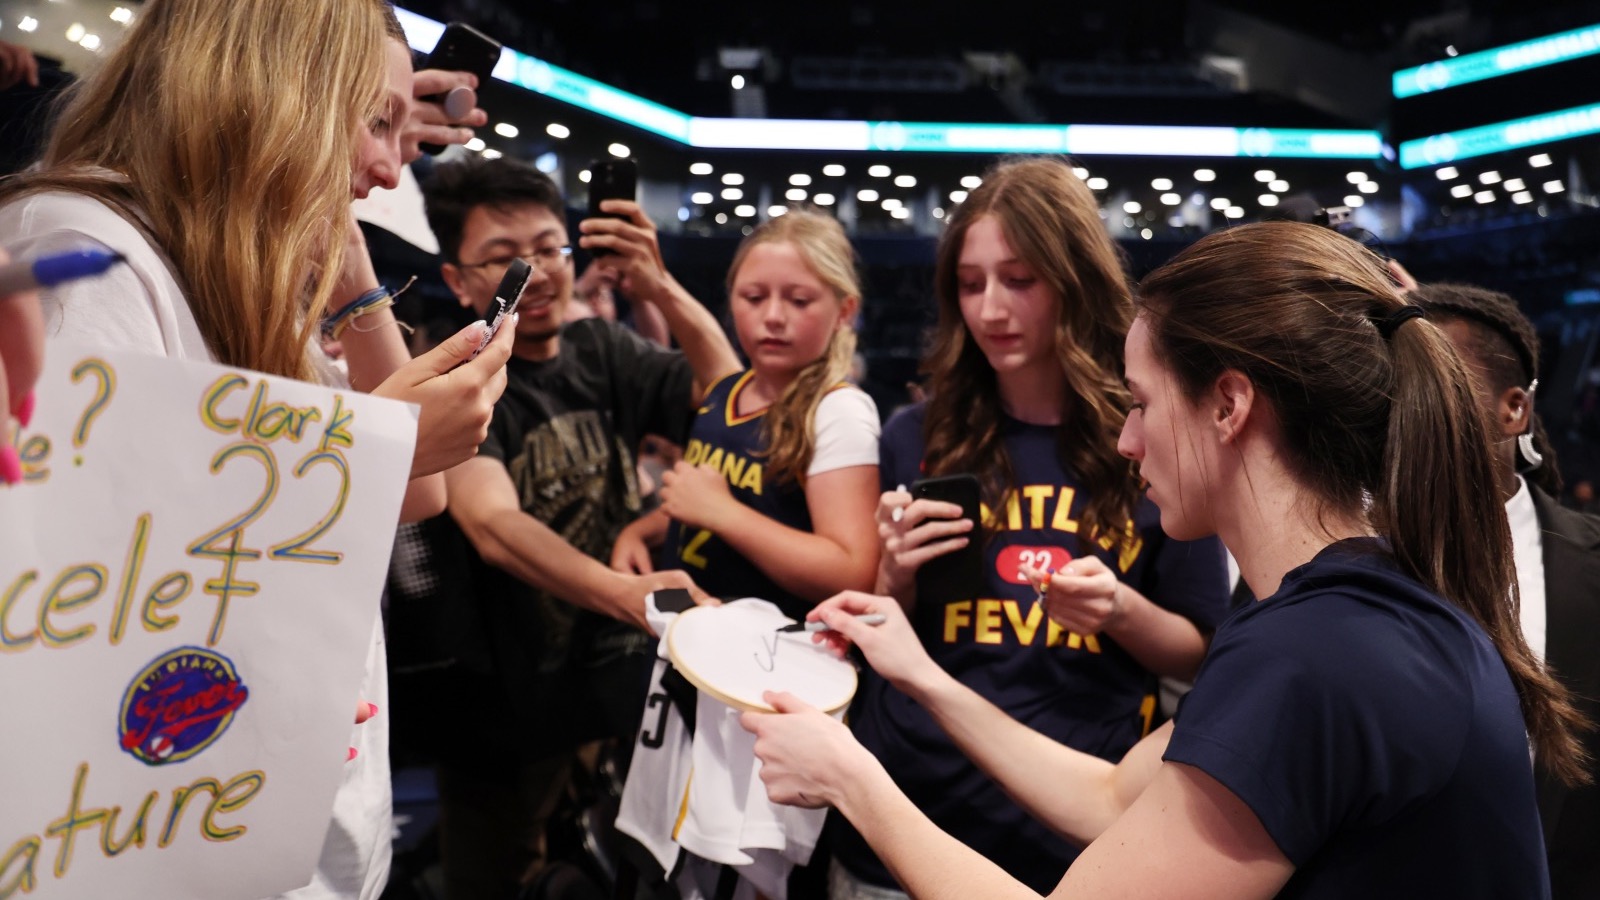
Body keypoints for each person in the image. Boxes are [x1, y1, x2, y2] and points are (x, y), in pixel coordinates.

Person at [743, 221, 1592, 898]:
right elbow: (1113, 797)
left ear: (1228, 404)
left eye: (1144, 403)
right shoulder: (1333, 608)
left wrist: (852, 780)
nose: (1126, 438)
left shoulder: (1315, 654)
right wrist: (920, 673)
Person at [0, 2, 511, 898]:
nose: (393, 169)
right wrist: (376, 449)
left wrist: (350, 266)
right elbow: (89, 598)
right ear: (273, 91)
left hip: (274, 815)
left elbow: (418, 495)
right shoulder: (86, 252)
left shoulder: (232, 269)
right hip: (164, 839)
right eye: (377, 120)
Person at [829, 158, 1230, 897]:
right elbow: (884, 632)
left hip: (1072, 831)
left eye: (1019, 279)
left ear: (1073, 282)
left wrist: (1119, 610)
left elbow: (1202, 653)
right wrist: (896, 572)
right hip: (906, 815)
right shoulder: (917, 432)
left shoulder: (1149, 439)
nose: (989, 309)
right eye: (970, 282)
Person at [420, 155, 741, 898]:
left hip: (604, 686)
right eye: (502, 260)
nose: (534, 274)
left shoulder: (601, 348)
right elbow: (492, 523)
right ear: (458, 280)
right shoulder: (453, 370)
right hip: (498, 711)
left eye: (547, 249)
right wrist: (628, 597)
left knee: (601, 871)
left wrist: (660, 286)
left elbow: (730, 414)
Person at [1411, 282, 1600, 900]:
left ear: (1512, 410)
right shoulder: (1318, 559)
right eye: (1393, 389)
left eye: (1434, 385)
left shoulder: (1591, 561)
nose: (1407, 411)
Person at [610, 208, 881, 617]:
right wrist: (641, 532)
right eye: (753, 298)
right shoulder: (723, 391)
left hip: (778, 662)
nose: (772, 316)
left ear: (844, 312)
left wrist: (724, 513)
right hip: (690, 644)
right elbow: (704, 507)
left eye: (799, 300)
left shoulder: (838, 410)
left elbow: (853, 571)